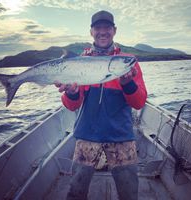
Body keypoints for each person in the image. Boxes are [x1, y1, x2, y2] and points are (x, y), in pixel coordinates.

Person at [55, 10, 147, 200]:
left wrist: (127, 84)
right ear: (91, 32)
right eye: (98, 28)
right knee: (76, 193)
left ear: (114, 31)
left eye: (107, 28)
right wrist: (72, 93)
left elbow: (139, 103)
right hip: (87, 135)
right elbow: (71, 105)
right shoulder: (79, 62)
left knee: (129, 194)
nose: (102, 32)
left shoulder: (128, 61)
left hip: (121, 136)